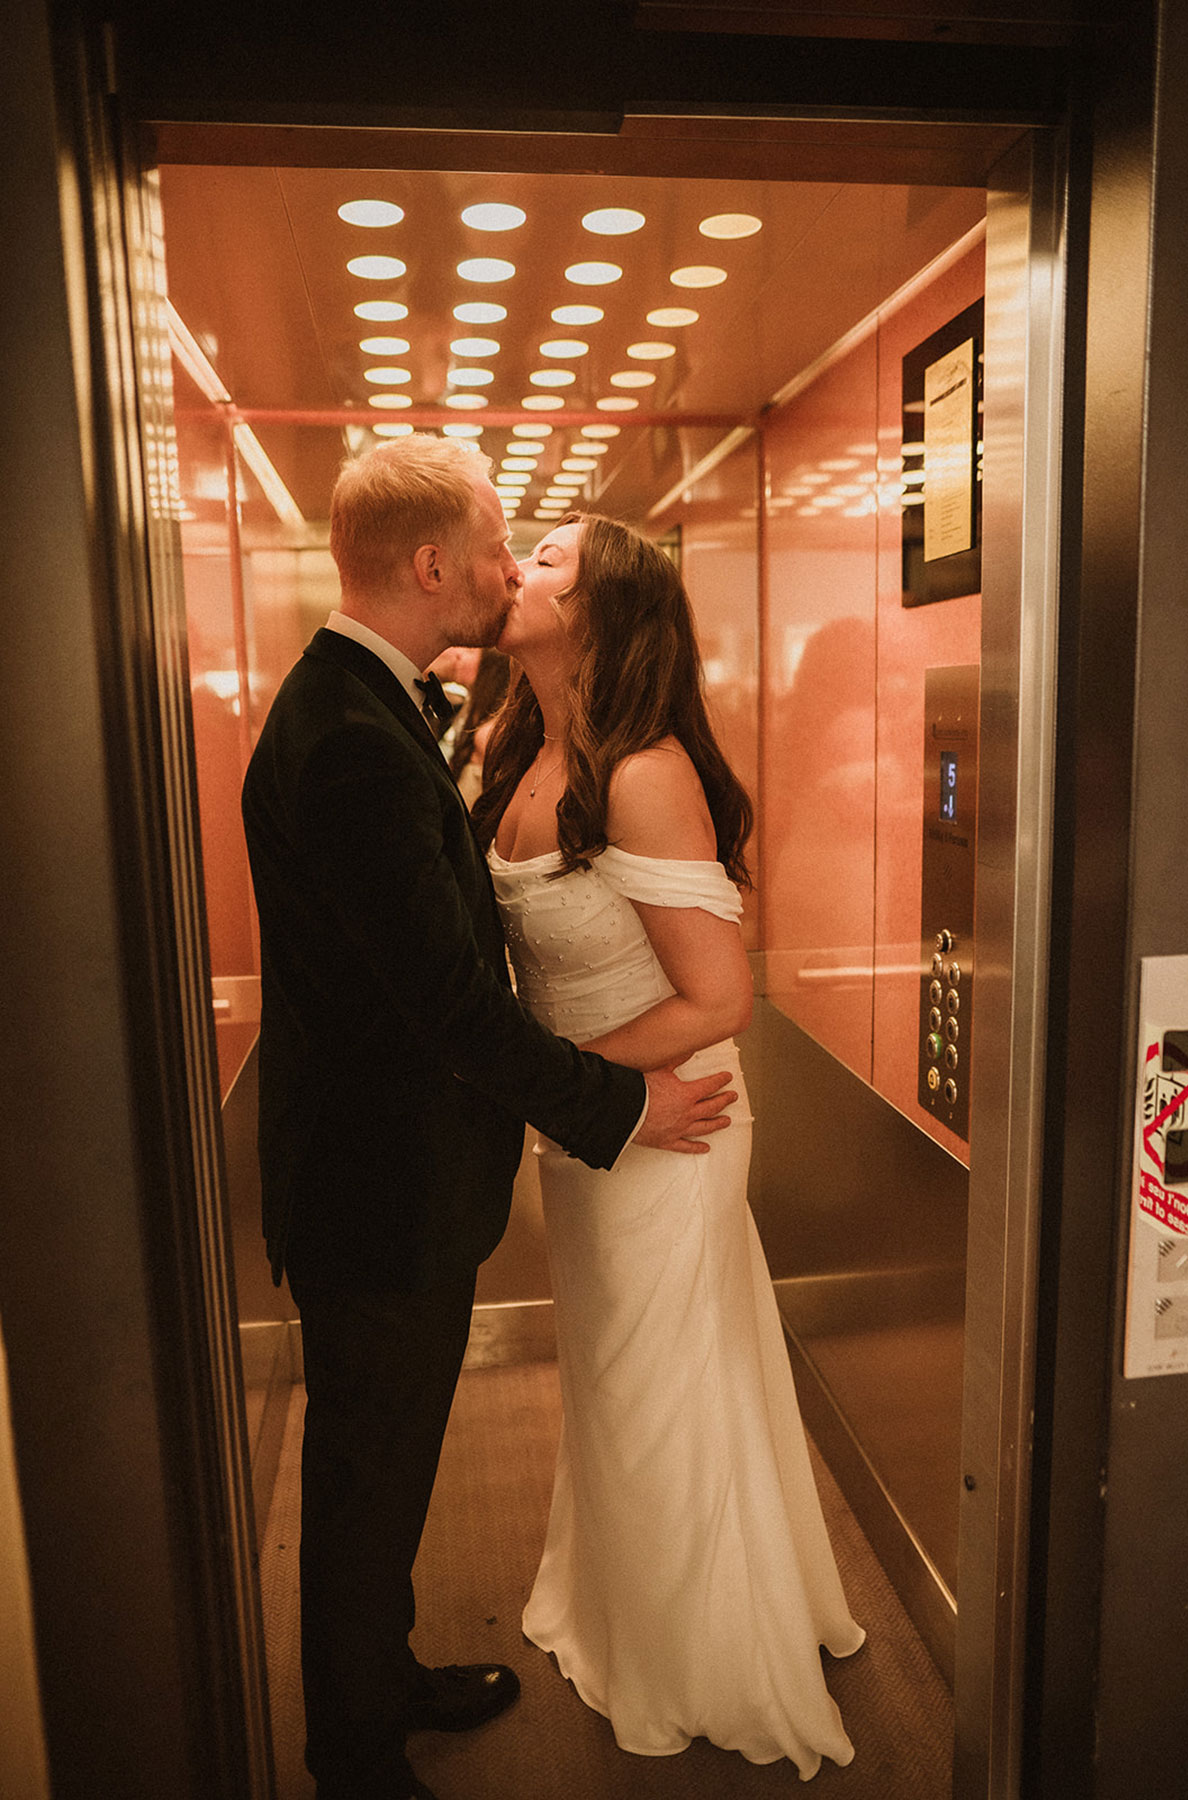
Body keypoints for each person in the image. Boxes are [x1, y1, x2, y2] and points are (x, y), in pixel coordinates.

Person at [240, 438, 737, 1800]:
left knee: (386, 1470)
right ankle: (353, 1752)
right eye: (504, 545)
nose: (514, 568)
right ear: (433, 565)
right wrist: (621, 1105)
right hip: (378, 1191)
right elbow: (451, 1012)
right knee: (365, 1478)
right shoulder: (350, 737)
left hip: (401, 1178)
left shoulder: (378, 706)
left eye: (546, 556)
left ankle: (381, 1679)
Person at [475, 511, 866, 1781]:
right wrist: (560, 1101)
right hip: (587, 1122)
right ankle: (629, 1605)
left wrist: (572, 1088)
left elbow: (720, 1000)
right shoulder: (517, 743)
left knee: (661, 1385)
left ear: (600, 612)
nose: (516, 568)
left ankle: (698, 1648)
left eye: (545, 561)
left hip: (671, 1123)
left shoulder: (642, 770)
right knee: (615, 1379)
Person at [446, 645, 510, 807]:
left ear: (492, 667)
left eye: (470, 651)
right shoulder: (469, 705)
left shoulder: (491, 731)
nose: (459, 655)